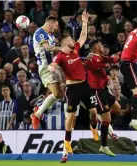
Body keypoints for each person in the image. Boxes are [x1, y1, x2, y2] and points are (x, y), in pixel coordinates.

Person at [49, 10, 98, 162]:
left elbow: (83, 36)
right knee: (70, 117)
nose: (73, 39)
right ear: (64, 43)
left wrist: (84, 22)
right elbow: (53, 64)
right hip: (72, 88)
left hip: (84, 85)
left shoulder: (75, 48)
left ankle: (93, 128)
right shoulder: (61, 55)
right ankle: (67, 143)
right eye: (70, 38)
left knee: (94, 113)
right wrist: (53, 68)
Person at [31, 15, 72, 129]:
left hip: (54, 66)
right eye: (55, 25)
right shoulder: (40, 32)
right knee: (57, 93)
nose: (56, 28)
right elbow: (47, 47)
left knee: (65, 91)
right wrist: (61, 48)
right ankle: (37, 113)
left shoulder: (52, 36)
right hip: (45, 68)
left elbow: (54, 52)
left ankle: (69, 117)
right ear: (50, 23)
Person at [85, 40, 122, 156]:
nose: (103, 47)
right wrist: (107, 64)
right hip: (97, 92)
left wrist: (116, 58)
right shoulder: (91, 58)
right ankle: (104, 146)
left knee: (117, 108)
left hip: (104, 89)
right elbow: (95, 66)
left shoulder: (99, 56)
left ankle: (104, 119)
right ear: (96, 47)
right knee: (107, 119)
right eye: (101, 45)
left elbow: (108, 60)